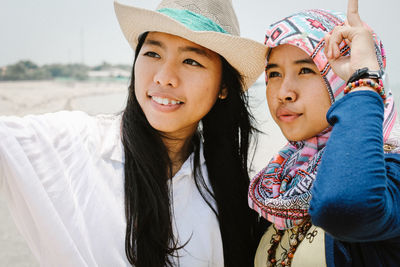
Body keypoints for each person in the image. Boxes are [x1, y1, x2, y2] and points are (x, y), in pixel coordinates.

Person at [0, 0, 267, 266]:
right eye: (153, 54)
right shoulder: (74, 144)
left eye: (190, 61)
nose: (164, 77)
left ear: (223, 86)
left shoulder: (231, 191)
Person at [248, 0, 400, 266]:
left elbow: (345, 206)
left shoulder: (388, 175)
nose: (284, 92)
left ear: (342, 79)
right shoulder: (278, 185)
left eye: (306, 70)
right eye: (273, 73)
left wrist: (364, 79)